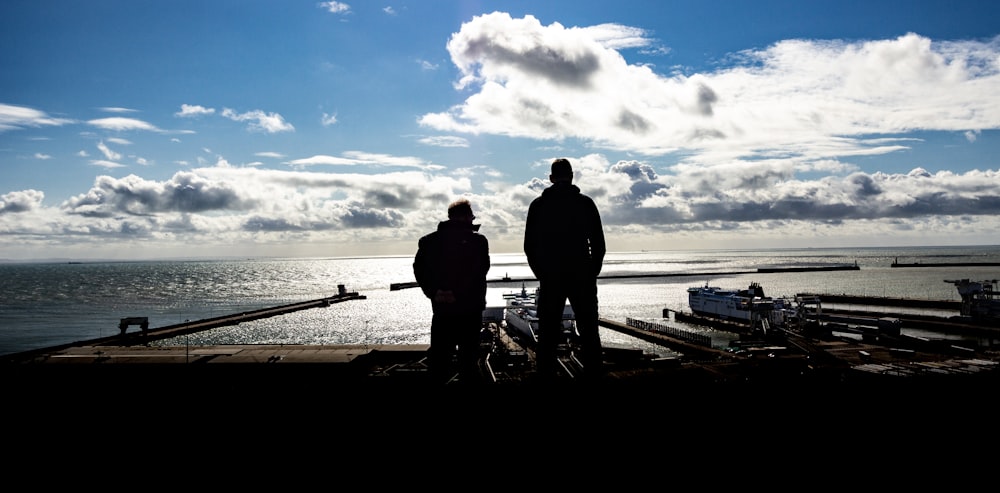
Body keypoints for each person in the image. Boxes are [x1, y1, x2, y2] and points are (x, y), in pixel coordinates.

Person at [524, 158, 607, 381]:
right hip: (582, 274)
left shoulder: (538, 205)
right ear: (572, 176)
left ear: (551, 178)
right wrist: (592, 271)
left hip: (551, 276)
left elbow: (530, 247)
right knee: (589, 329)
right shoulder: (586, 203)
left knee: (548, 332)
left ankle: (546, 377)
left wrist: (542, 273)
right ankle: (594, 376)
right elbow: (598, 244)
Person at [413, 198, 491, 384]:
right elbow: (479, 271)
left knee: (440, 360)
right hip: (470, 309)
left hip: (442, 309)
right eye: (471, 216)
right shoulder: (478, 241)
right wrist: (457, 293)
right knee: (468, 362)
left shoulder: (428, 241)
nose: (473, 220)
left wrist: (435, 292)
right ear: (465, 217)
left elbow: (420, 270)